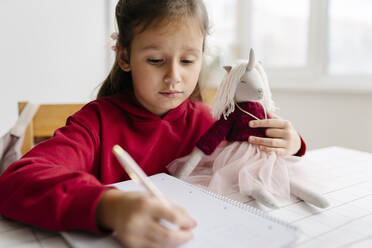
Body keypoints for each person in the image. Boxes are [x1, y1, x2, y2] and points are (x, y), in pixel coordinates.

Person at [0, 0, 305, 247]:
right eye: (156, 60)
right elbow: (16, 180)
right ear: (124, 56)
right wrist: (108, 206)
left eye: (187, 61)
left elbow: (248, 163)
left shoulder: (205, 121)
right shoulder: (95, 124)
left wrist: (291, 145)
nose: (174, 76)